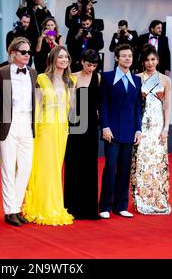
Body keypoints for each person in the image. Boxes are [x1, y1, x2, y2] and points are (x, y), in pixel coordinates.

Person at [22, 45, 76, 226]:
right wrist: (33, 131)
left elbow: (71, 108)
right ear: (53, 59)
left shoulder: (71, 81)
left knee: (55, 168)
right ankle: (41, 207)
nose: (64, 60)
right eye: (60, 57)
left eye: (66, 57)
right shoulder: (42, 78)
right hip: (45, 129)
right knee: (45, 167)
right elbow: (36, 106)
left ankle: (53, 205)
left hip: (62, 130)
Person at [0, 37, 37, 227]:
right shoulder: (1, 74)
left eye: (29, 52)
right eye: (23, 52)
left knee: (25, 169)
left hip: (27, 123)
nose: (27, 55)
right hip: (8, 125)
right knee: (8, 168)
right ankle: (10, 211)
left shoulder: (34, 74)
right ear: (13, 54)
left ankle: (16, 207)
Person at [99, 44, 142, 219]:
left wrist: (138, 129)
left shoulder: (137, 80)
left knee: (125, 169)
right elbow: (102, 104)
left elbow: (138, 107)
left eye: (130, 56)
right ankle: (105, 206)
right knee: (110, 167)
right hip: (111, 131)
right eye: (123, 56)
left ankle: (121, 205)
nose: (127, 59)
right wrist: (105, 126)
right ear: (116, 58)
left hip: (129, 130)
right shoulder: (107, 77)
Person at [131, 45, 171, 215]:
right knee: (140, 161)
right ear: (143, 62)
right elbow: (133, 105)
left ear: (158, 60)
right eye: (147, 60)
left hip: (158, 125)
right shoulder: (137, 78)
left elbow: (167, 106)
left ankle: (157, 200)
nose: (150, 63)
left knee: (157, 161)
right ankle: (140, 199)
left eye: (153, 59)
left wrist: (166, 128)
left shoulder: (165, 80)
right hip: (141, 125)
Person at [64, 49, 101, 220]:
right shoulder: (72, 77)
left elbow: (98, 102)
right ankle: (71, 206)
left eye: (94, 65)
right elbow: (68, 102)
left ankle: (89, 207)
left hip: (92, 124)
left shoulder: (98, 78)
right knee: (73, 162)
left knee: (89, 164)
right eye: (88, 64)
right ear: (81, 61)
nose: (91, 68)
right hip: (75, 122)